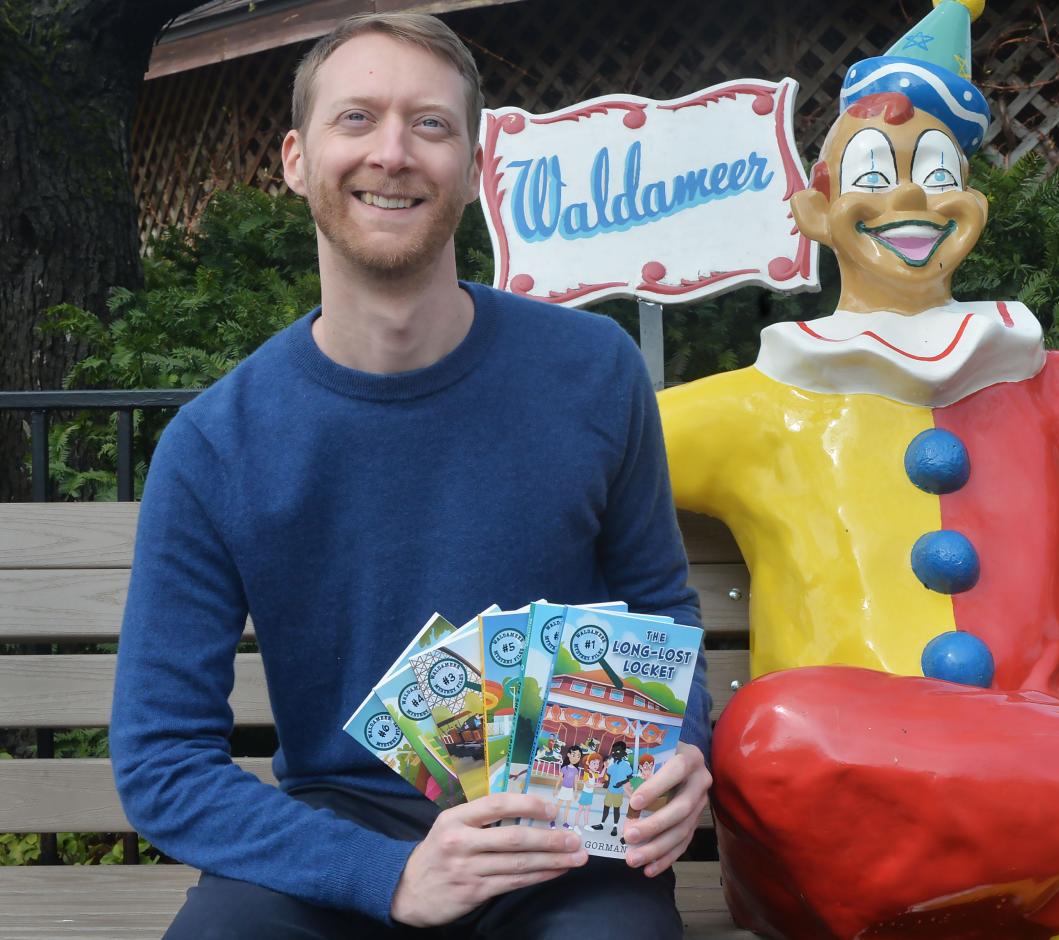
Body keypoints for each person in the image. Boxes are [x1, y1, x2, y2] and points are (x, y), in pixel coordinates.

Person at [110, 12, 711, 939]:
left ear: (473, 167)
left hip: (560, 832)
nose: (392, 152)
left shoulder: (593, 372)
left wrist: (682, 749)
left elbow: (660, 606)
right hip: (333, 845)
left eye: (429, 125)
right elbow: (161, 758)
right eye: (356, 119)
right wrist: (388, 875)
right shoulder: (213, 447)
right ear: (296, 159)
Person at [659, 1, 1059, 937]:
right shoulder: (749, 410)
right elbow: (581, 454)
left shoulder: (1051, 389)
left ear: (972, 204)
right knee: (774, 735)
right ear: (814, 209)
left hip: (1053, 853)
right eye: (872, 175)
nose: (912, 202)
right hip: (827, 848)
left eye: (939, 174)